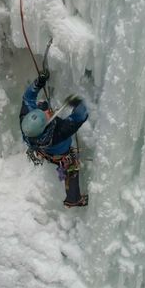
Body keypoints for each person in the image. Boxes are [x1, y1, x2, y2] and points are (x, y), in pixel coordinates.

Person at [20, 68, 89, 208]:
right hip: (60, 153)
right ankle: (73, 199)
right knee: (71, 167)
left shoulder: (26, 122)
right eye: (47, 115)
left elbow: (28, 98)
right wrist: (77, 103)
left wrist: (38, 83)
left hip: (41, 148)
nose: (48, 113)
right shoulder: (60, 132)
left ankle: (43, 103)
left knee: (41, 104)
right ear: (46, 126)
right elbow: (80, 116)